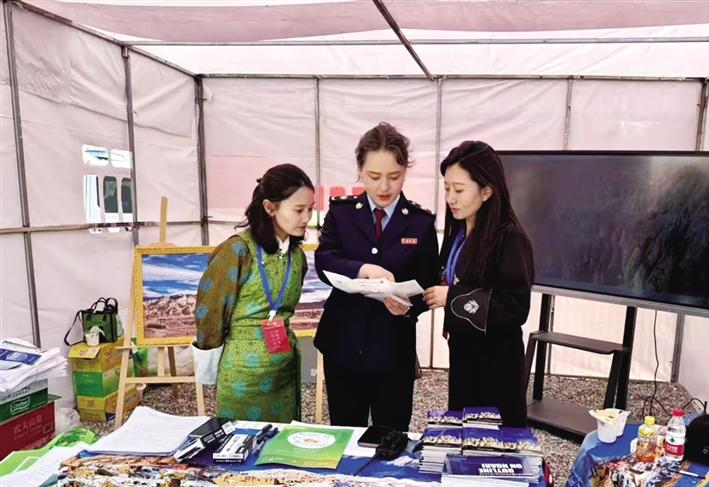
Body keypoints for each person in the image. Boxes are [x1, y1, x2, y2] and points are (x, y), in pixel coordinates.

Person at [314, 122, 440, 431]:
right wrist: (362, 270)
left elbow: (428, 282)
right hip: (342, 344)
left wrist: (408, 306)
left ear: (405, 171)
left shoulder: (421, 223)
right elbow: (324, 260)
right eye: (374, 176)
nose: (384, 186)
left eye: (394, 176)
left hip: (393, 349)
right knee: (346, 433)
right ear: (359, 170)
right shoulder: (342, 213)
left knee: (392, 436)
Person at [192, 164, 315, 422]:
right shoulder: (237, 251)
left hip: (283, 369)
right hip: (242, 373)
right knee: (241, 440)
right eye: (298, 210)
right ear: (270, 208)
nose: (306, 218)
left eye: (310, 209)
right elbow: (210, 311)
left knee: (282, 440)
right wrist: (209, 363)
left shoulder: (297, 256)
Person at [423, 141, 534, 427]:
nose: (451, 198)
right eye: (447, 188)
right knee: (464, 432)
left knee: (492, 439)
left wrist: (453, 298)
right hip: (463, 356)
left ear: (486, 191)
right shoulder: (458, 231)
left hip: (495, 364)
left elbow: (515, 307)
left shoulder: (509, 238)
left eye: (459, 190)